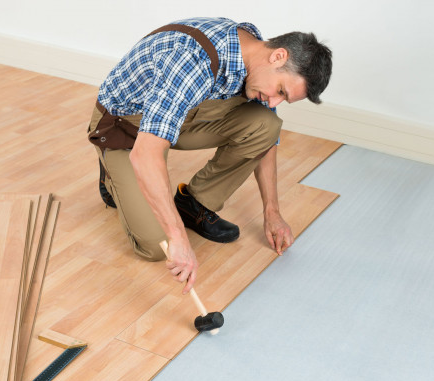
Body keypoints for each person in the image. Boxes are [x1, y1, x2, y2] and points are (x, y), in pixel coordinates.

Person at [89, 17, 332, 294]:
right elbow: (146, 154)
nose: (274, 102)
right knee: (157, 246)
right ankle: (111, 172)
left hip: (179, 117)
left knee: (266, 124)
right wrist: (178, 237)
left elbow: (267, 141)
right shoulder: (192, 61)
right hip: (126, 129)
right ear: (278, 56)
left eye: (283, 99)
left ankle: (193, 203)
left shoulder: (253, 58)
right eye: (280, 91)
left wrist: (272, 212)